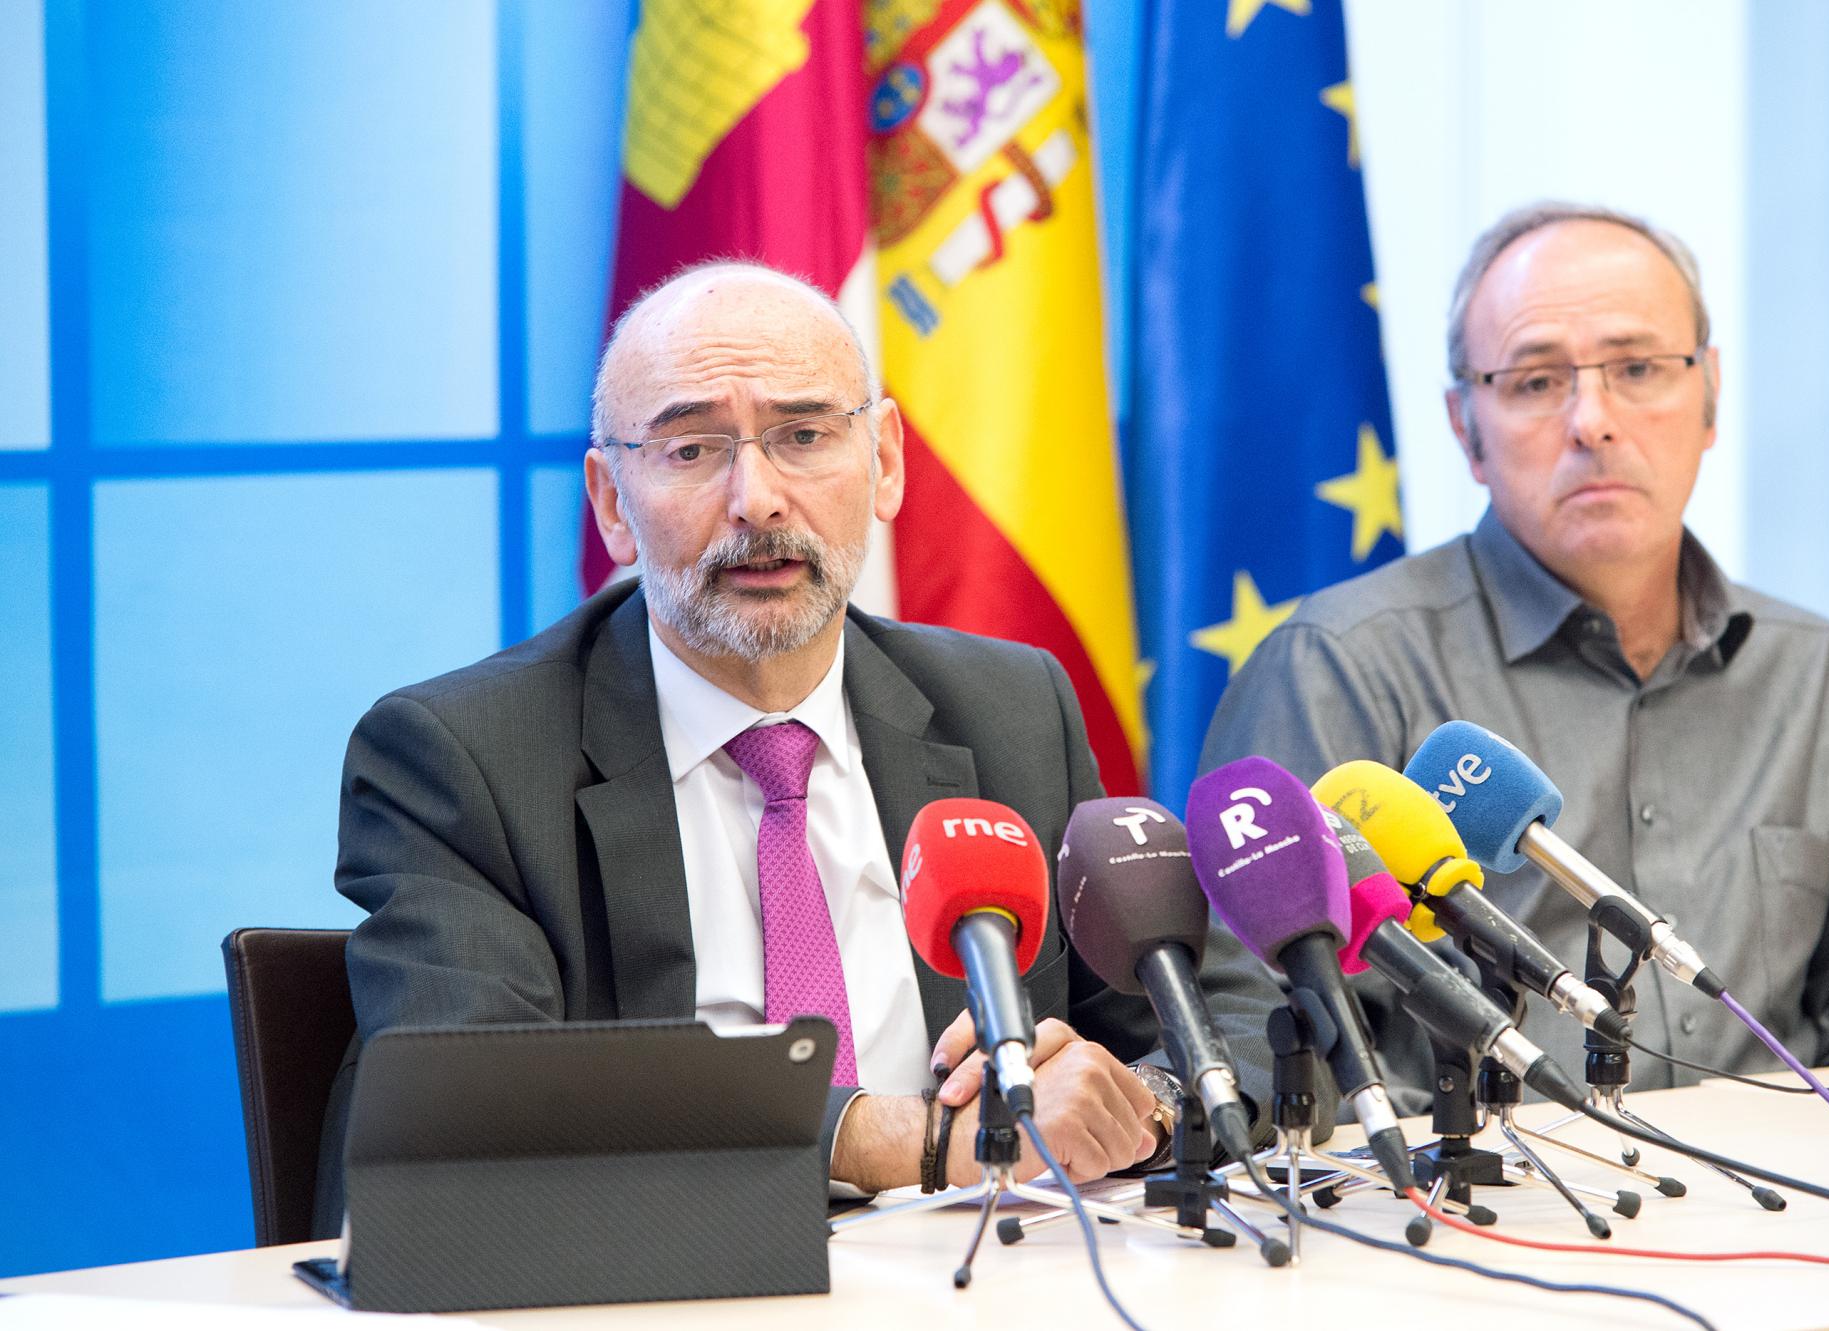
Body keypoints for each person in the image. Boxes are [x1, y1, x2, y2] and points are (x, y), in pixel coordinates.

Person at [311, 261, 1284, 1235]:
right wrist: (897, 1139)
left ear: (885, 461)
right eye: (692, 449)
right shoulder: (465, 757)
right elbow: (476, 1111)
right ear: (610, 502)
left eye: (805, 435)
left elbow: (1231, 1012)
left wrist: (1143, 1100)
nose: (758, 499)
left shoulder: (1008, 707)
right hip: (662, 1283)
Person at [1201, 202, 1829, 1110]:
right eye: (1535, 381)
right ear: (1465, 427)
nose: (1593, 421)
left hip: (1785, 1191)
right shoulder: (1335, 669)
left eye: (1638, 368)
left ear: (1711, 396)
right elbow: (1273, 1048)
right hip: (1479, 1190)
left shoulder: (1823, 681)